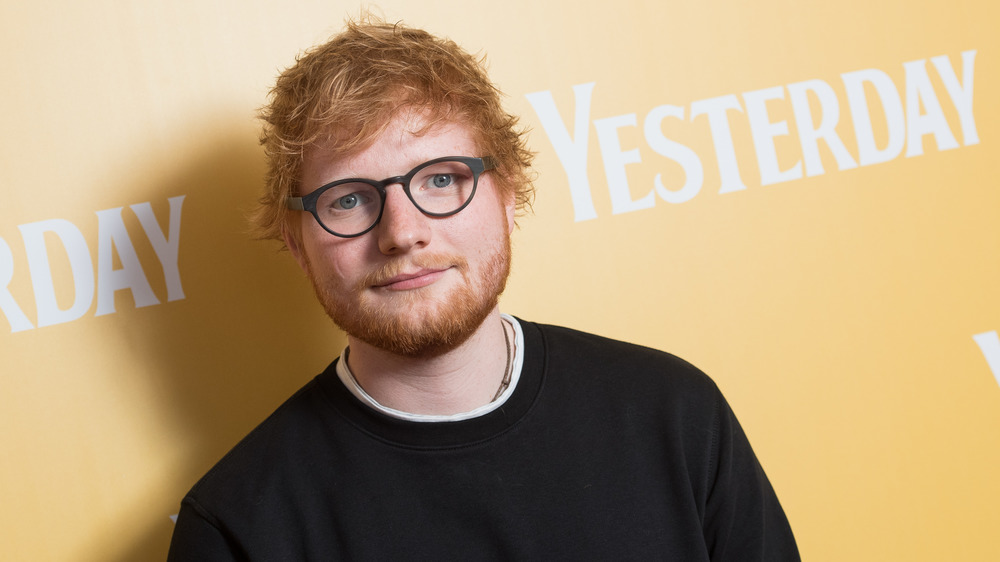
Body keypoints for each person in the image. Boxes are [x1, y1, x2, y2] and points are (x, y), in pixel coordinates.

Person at [167, 17, 799, 561]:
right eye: (351, 198)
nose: (402, 233)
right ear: (296, 240)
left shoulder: (674, 414)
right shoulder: (237, 528)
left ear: (509, 190)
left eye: (441, 180)